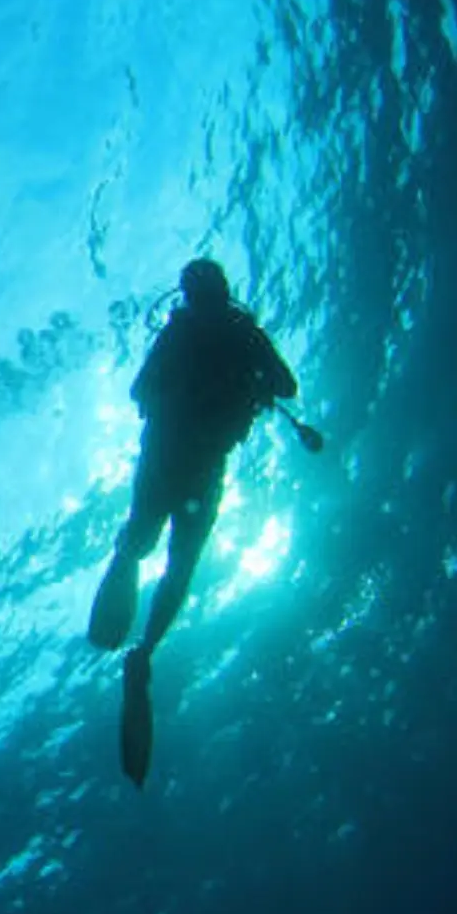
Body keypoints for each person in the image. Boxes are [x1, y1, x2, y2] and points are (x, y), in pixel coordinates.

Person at [86, 258, 298, 787]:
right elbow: (287, 387)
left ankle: (128, 589)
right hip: (202, 468)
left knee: (142, 545)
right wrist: (251, 382)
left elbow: (139, 393)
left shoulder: (181, 333)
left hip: (166, 459)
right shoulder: (242, 333)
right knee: (179, 565)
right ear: (222, 290)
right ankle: (144, 654)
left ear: (187, 293)